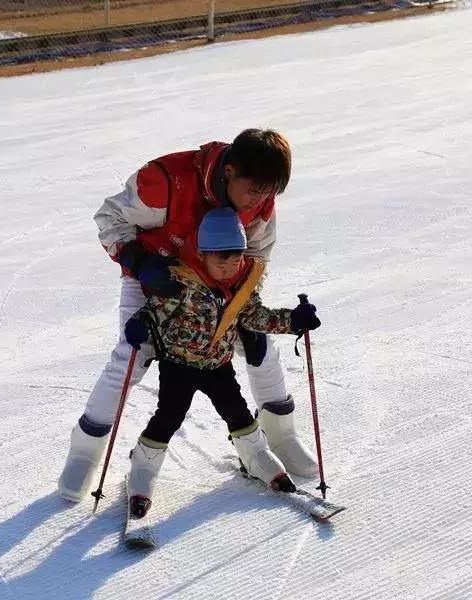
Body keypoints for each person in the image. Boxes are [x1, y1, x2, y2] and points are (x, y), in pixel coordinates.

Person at [59, 129, 321, 502]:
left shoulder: (259, 198)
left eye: (269, 192)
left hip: (223, 284)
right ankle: (85, 450)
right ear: (229, 171)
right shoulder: (167, 180)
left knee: (260, 348)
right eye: (255, 190)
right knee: (131, 357)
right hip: (159, 280)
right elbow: (110, 218)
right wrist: (140, 262)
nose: (260, 200)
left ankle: (280, 435)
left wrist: (245, 299)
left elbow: (258, 253)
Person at [122, 208, 320, 517]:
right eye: (220, 260)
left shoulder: (243, 285)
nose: (228, 267)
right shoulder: (182, 282)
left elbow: (256, 316)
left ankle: (256, 456)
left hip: (218, 365)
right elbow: (155, 309)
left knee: (237, 412)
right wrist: (140, 322)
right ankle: (143, 469)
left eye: (235, 258)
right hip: (178, 365)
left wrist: (293, 321)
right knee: (169, 416)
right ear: (202, 255)